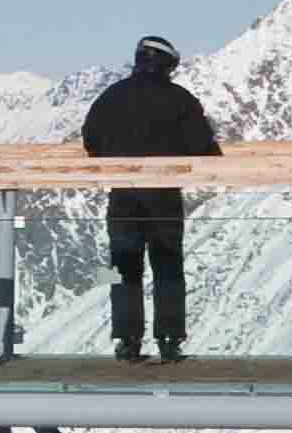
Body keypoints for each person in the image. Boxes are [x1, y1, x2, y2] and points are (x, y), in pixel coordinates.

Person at [79, 34, 223, 363]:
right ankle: (169, 339)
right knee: (168, 265)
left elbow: (92, 140)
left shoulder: (110, 97)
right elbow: (202, 147)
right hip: (163, 196)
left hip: (122, 196)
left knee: (123, 269)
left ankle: (127, 340)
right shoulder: (179, 99)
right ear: (167, 64)